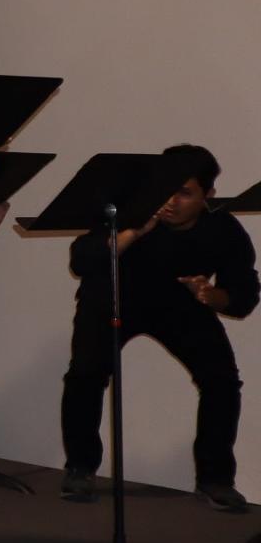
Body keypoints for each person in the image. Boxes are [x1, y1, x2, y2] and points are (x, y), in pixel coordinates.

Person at [59, 143, 256, 510]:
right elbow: (82, 260)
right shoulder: (129, 212)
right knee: (86, 373)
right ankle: (80, 467)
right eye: (165, 190)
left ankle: (215, 478)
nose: (170, 201)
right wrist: (134, 231)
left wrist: (213, 297)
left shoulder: (223, 229)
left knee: (222, 380)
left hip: (181, 304)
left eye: (184, 193)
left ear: (208, 195)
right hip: (112, 297)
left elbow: (244, 294)